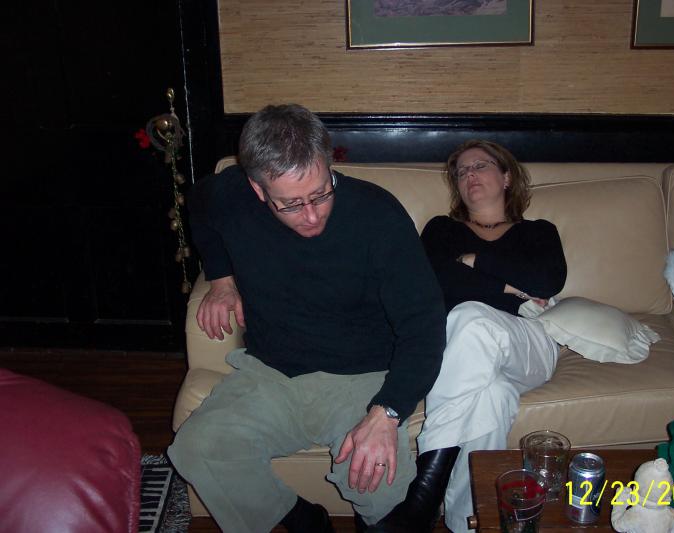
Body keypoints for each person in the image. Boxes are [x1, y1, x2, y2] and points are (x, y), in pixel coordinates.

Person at [167, 104, 446, 533]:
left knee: (381, 488)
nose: (312, 215)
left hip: (361, 377)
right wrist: (221, 279)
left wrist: (387, 412)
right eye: (291, 204)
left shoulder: (378, 215)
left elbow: (424, 325)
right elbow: (200, 206)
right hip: (271, 373)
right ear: (257, 189)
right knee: (197, 447)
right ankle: (306, 522)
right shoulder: (230, 194)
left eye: (320, 193)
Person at [370, 140, 567, 533]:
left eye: (480, 166)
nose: (469, 175)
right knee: (491, 398)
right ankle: (467, 524)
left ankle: (424, 494)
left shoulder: (538, 231)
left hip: (527, 343)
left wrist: (475, 261)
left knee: (470, 316)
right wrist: (510, 286)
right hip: (464, 354)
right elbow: (433, 283)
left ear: (506, 177)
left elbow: (548, 280)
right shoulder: (441, 230)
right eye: (461, 171)